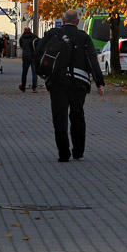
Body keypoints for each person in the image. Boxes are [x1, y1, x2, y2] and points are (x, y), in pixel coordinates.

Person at [34, 9, 105, 162]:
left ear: (63, 19)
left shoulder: (52, 34)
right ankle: (78, 151)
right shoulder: (83, 37)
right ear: (77, 22)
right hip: (79, 83)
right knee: (77, 115)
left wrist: (41, 72)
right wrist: (99, 82)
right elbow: (92, 60)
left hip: (57, 82)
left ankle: (63, 153)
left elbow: (38, 53)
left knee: (59, 118)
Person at [19, 26, 38, 92]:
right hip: (33, 56)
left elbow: (21, 46)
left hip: (25, 57)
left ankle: (23, 87)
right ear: (30, 30)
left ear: (24, 31)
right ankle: (34, 88)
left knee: (24, 72)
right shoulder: (34, 37)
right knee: (34, 73)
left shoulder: (22, 38)